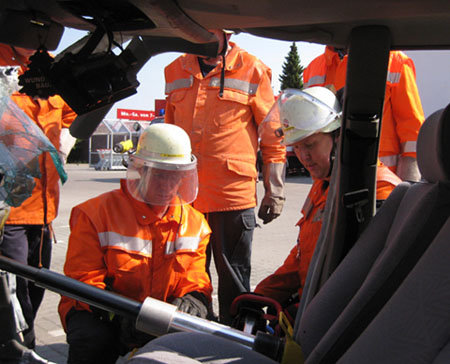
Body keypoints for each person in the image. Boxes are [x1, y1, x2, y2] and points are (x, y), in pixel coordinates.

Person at [58, 123, 213, 364]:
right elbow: (84, 281)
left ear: (184, 176)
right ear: (139, 170)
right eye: (159, 174)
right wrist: (120, 317)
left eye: (174, 176)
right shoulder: (95, 214)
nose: (166, 185)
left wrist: (194, 300)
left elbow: (194, 276)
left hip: (161, 314)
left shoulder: (196, 223)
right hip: (103, 312)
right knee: (91, 339)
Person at [164, 29, 286, 324]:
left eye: (210, 30)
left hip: (233, 196)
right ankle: (195, 332)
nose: (201, 36)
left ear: (226, 32)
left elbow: (273, 137)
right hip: (185, 199)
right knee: (187, 274)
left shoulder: (252, 68)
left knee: (234, 277)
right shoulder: (174, 70)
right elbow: (168, 134)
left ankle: (234, 338)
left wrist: (276, 191)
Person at [253, 86, 401, 317]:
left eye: (310, 144)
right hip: (312, 305)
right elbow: (302, 256)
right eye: (297, 147)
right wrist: (261, 295)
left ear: (337, 137)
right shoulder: (324, 184)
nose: (303, 157)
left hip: (335, 315)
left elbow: (366, 278)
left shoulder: (377, 191)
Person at [0, 43, 77, 350]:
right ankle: (17, 347)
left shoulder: (56, 75)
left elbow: (75, 114)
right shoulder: (4, 74)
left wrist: (64, 145)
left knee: (36, 286)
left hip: (45, 210)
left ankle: (24, 342)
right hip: (11, 213)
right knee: (13, 290)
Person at [303, 46, 425, 182]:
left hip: (379, 185)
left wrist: (406, 189)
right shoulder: (313, 69)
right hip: (329, 184)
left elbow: (412, 132)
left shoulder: (394, 61)